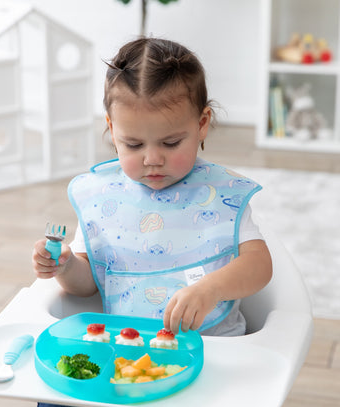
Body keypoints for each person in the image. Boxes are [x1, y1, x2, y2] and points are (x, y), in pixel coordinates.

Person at [33, 36, 272, 340]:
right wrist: (64, 267)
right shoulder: (104, 197)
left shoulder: (220, 196)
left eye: (171, 143)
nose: (152, 159)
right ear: (111, 128)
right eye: (133, 144)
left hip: (217, 348)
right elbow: (88, 284)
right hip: (130, 351)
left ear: (202, 123)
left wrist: (210, 288)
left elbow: (259, 265)